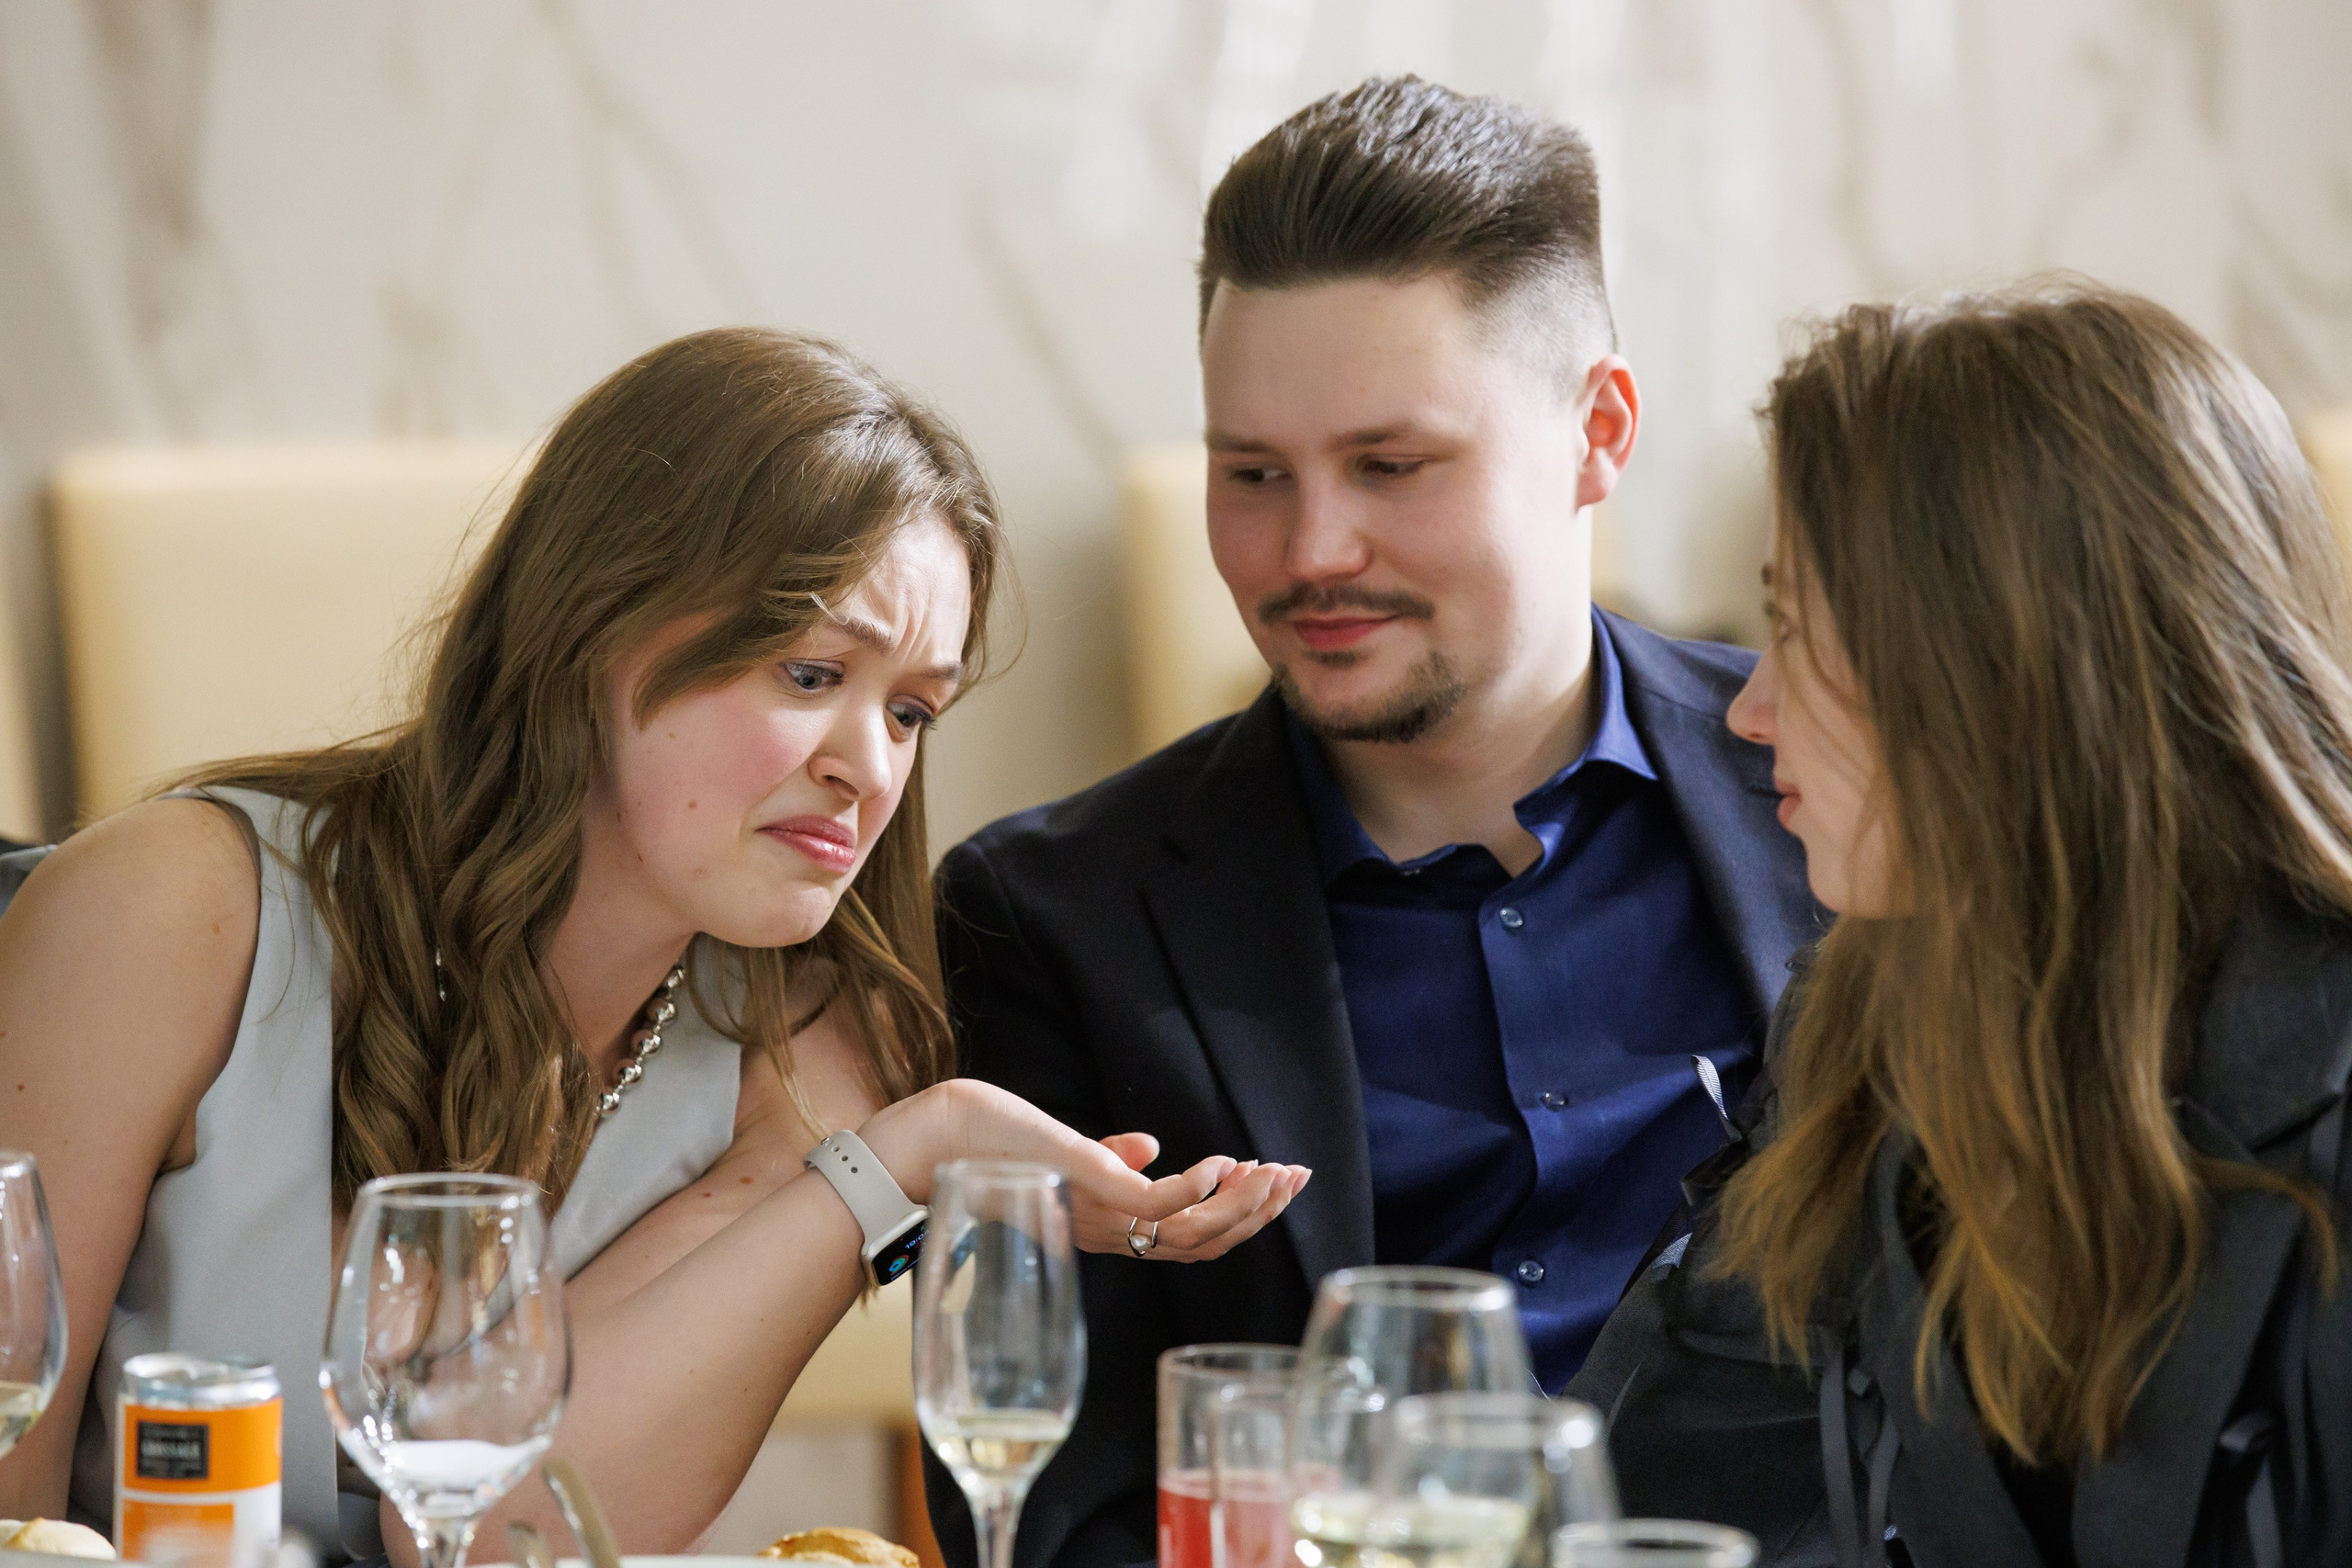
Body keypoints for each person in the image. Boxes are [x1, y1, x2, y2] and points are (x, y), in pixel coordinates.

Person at [0, 328, 1297, 1563]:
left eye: (911, 713)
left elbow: (511, 1536)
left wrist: (920, 1144)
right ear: (591, 633)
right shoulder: (175, 913)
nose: (868, 769)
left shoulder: (803, 1045)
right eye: (807, 675)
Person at [931, 77, 1821, 1568]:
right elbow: (1038, 1513)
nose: (1310, 551)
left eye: (1392, 467)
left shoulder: (1850, 800)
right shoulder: (1050, 919)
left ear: (1598, 431)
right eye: (1252, 474)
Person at [1568, 280, 2352, 1567]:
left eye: (1797, 632)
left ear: (1999, 672)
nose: (1750, 709)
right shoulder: (1880, 1009)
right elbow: (1643, 1465)